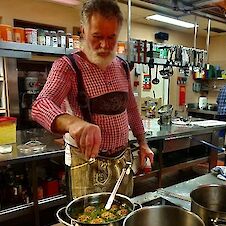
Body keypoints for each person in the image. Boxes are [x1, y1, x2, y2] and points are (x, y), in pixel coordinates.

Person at [32, 0, 154, 198]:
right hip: (87, 163)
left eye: (111, 37)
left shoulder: (122, 66)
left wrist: (143, 142)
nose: (105, 45)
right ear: (83, 31)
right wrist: (73, 123)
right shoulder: (68, 67)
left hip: (122, 159)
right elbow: (40, 106)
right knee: (88, 222)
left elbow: (131, 109)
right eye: (97, 36)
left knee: (122, 216)